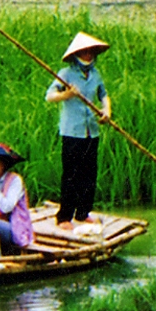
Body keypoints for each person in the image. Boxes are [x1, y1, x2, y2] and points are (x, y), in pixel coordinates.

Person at [46, 31, 111, 232]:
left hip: (91, 131)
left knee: (89, 174)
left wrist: (106, 111)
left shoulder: (95, 74)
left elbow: (103, 95)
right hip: (72, 131)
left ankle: (83, 212)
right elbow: (50, 96)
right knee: (71, 174)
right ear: (76, 54)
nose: (88, 55)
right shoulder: (65, 74)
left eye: (91, 52)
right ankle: (64, 216)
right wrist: (68, 94)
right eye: (84, 52)